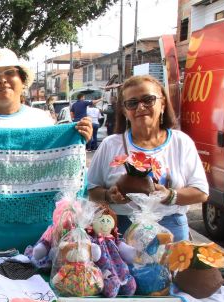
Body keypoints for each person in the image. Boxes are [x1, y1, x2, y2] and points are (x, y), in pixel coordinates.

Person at [86, 75, 208, 242]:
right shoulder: (110, 145)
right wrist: (109, 195)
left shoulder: (181, 142)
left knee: (173, 269)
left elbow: (201, 192)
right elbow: (90, 190)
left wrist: (169, 196)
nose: (140, 107)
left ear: (163, 103)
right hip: (122, 232)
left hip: (171, 230)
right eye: (132, 103)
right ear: (124, 111)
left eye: (148, 99)